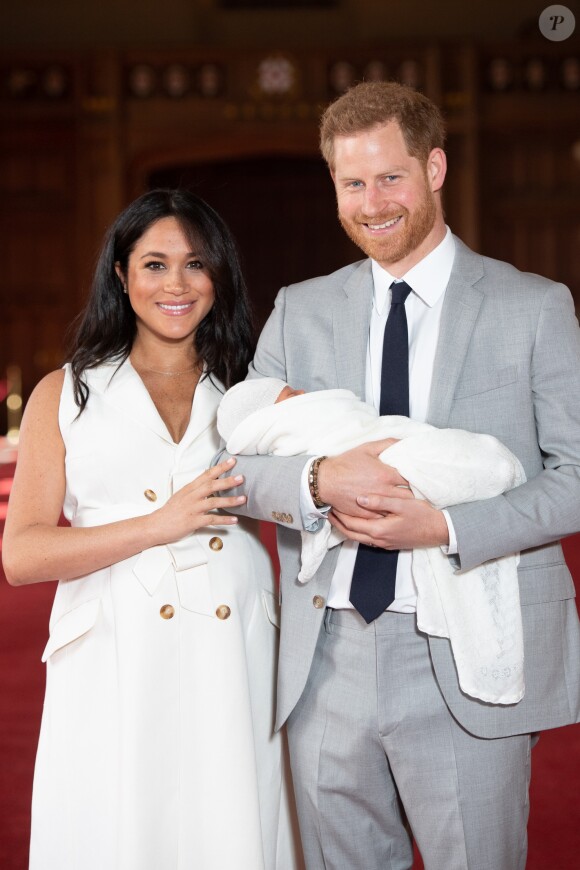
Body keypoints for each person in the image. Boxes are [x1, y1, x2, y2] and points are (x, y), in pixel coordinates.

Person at [219, 82, 580, 870]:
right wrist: (318, 480)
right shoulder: (300, 309)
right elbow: (239, 467)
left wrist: (446, 527)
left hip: (463, 648)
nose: (372, 202)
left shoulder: (533, 306)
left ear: (436, 167)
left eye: (391, 177)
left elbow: (577, 474)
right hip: (326, 658)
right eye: (353, 183)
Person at [2, 189, 302, 870]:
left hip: (234, 645)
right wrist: (158, 524)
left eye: (195, 265)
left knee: (231, 821)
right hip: (112, 641)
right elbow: (21, 555)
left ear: (218, 275)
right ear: (121, 273)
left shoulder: (253, 387)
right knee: (117, 825)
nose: (177, 284)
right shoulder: (67, 391)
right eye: (155, 264)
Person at [218, 376, 527, 706]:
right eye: (293, 396)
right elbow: (227, 472)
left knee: (459, 459)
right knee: (451, 464)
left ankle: (488, 465)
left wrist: (445, 527)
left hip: (437, 638)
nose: (305, 394)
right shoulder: (287, 332)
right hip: (327, 641)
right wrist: (320, 480)